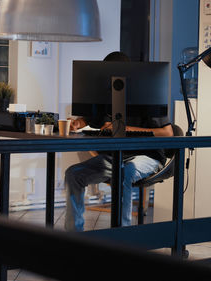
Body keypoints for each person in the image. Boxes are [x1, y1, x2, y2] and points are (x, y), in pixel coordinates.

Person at [65, 51, 173, 231]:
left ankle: (123, 236)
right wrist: (78, 122)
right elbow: (89, 119)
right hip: (115, 158)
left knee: (125, 172)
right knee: (73, 174)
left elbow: (167, 133)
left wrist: (128, 129)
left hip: (147, 157)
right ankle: (74, 235)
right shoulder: (105, 97)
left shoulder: (147, 95)